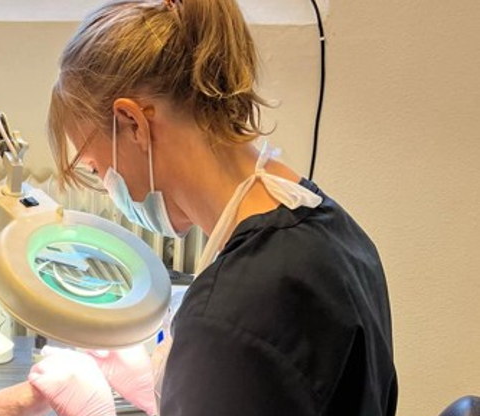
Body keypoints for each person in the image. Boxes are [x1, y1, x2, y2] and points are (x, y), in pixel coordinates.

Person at [27, 0, 399, 415]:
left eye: (98, 170)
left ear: (134, 124)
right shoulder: (333, 229)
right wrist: (165, 390)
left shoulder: (227, 317)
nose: (109, 188)